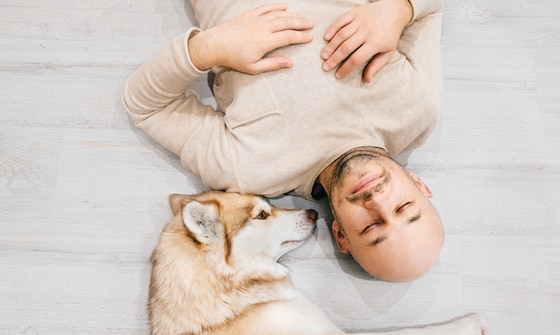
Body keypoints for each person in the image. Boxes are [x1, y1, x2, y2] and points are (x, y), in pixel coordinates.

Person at [123, 0, 444, 282]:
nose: (377, 202)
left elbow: (145, 105)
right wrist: (401, 9)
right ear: (421, 185)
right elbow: (434, 7)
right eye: (403, 206)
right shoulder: (417, 110)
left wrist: (211, 47)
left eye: (372, 228)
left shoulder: (248, 169)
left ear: (340, 236)